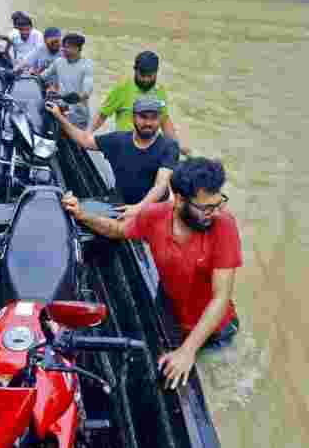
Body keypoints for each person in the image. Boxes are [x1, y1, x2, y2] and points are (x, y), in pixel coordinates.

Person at [61, 157, 242, 390]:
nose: (215, 213)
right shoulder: (154, 216)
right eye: (207, 207)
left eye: (219, 204)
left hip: (215, 331)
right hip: (174, 318)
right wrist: (81, 214)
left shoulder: (223, 225)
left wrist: (187, 351)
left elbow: (221, 296)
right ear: (178, 200)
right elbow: (118, 229)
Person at [46, 96, 179, 219]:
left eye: (154, 118)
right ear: (133, 117)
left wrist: (139, 208)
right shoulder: (118, 140)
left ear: (159, 119)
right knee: (70, 207)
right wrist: (59, 117)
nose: (148, 123)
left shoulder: (169, 147)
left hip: (153, 210)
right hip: (121, 204)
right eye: (143, 117)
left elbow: (160, 185)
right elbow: (85, 141)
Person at [91, 51, 190, 156]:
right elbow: (102, 114)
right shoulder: (122, 88)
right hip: (125, 148)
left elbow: (164, 121)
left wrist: (177, 146)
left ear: (156, 72)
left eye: (150, 76)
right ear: (135, 70)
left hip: (149, 149)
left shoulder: (160, 91)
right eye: (142, 75)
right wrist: (87, 134)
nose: (146, 80)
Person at [41, 33, 94, 129]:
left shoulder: (87, 65)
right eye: (63, 47)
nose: (63, 49)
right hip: (60, 109)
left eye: (67, 47)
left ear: (77, 49)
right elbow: (43, 76)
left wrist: (79, 97)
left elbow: (87, 91)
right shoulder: (59, 62)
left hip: (78, 115)